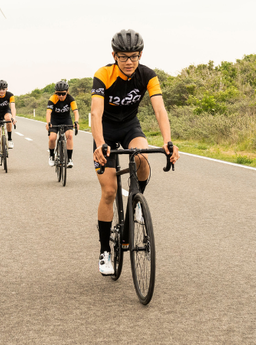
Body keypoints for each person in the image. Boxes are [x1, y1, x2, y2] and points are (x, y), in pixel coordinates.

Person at [90, 29, 179, 276]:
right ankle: (104, 251)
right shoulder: (103, 74)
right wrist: (99, 143)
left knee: (142, 156)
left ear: (140, 55)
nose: (129, 61)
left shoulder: (148, 75)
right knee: (109, 191)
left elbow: (160, 110)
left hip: (130, 127)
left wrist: (168, 141)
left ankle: (137, 201)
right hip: (105, 132)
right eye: (124, 56)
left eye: (134, 56)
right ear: (114, 56)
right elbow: (95, 113)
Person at [45, 80, 80, 168]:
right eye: (58, 94)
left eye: (63, 94)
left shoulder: (70, 99)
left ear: (67, 92)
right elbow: (48, 112)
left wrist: (76, 122)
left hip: (66, 120)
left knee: (70, 136)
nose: (60, 96)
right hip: (54, 120)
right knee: (52, 138)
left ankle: (69, 159)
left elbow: (75, 112)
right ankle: (52, 156)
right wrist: (48, 123)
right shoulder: (53, 98)